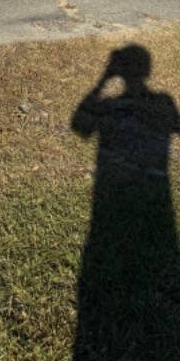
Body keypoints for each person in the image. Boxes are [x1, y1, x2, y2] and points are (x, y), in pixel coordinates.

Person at [72, 45, 180, 360]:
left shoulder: (116, 104)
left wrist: (103, 80)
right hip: (154, 200)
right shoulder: (164, 102)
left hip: (116, 201)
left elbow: (79, 125)